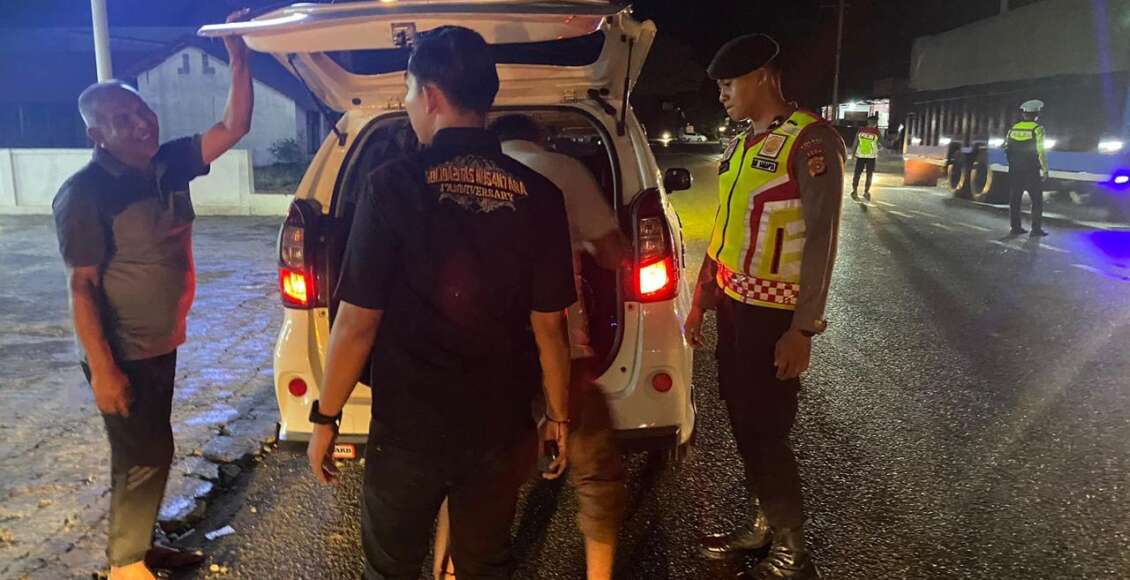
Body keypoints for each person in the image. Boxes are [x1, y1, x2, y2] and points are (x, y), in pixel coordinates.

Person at [304, 26, 575, 580]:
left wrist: (326, 417)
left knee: (391, 566)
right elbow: (551, 327)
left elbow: (356, 323)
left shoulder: (390, 186)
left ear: (430, 95)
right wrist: (559, 415)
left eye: (407, 91)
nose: (407, 104)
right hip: (500, 428)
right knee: (485, 564)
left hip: (410, 432)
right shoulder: (542, 196)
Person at [50, 11, 252, 580]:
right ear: (97, 135)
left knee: (150, 450)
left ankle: (138, 544)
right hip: (123, 351)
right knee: (142, 454)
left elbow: (233, 125)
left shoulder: (168, 164)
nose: (141, 123)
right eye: (123, 119)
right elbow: (82, 286)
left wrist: (239, 57)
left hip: (160, 344)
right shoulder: (85, 194)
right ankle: (126, 567)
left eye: (141, 110)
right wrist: (104, 369)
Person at [431, 114, 629, 580]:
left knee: (468, 477)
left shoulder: (451, 179)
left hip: (483, 359)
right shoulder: (562, 171)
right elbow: (614, 253)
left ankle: (450, 571)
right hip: (562, 349)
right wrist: (588, 242)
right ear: (539, 139)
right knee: (596, 475)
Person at [684, 33, 844, 580]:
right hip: (734, 310)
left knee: (766, 430)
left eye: (729, 84)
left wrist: (803, 329)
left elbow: (822, 240)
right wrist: (701, 301)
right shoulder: (741, 145)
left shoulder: (811, 141)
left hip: (774, 317)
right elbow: (723, 230)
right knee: (742, 420)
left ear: (761, 78)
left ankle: (793, 550)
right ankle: (765, 523)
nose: (722, 95)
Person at [1005, 99, 1049, 237]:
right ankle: (1036, 229)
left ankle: (1015, 227)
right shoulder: (1037, 129)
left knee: (1015, 199)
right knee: (1036, 200)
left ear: (1024, 114)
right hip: (1031, 170)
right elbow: (1040, 151)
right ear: (1036, 115)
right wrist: (1045, 169)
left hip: (1015, 170)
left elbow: (1007, 149)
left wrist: (1013, 164)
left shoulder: (1013, 129)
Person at [850, 115, 881, 201]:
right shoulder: (876, 132)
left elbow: (855, 142)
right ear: (875, 123)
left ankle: (854, 191)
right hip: (871, 157)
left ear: (868, 122)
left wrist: (853, 154)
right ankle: (866, 192)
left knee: (857, 173)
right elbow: (881, 144)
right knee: (869, 174)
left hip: (860, 156)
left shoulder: (860, 130)